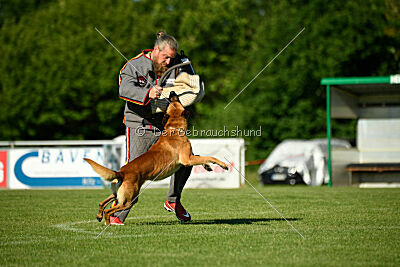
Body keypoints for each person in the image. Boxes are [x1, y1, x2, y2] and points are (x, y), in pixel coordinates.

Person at [109, 31, 194, 225]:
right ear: (155, 50)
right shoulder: (133, 65)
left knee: (186, 162)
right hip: (139, 124)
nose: (168, 62)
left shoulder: (175, 63)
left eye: (171, 58)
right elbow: (124, 89)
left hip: (165, 126)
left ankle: (173, 200)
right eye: (165, 57)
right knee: (133, 171)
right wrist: (148, 92)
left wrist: (186, 63)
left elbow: (191, 80)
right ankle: (118, 214)